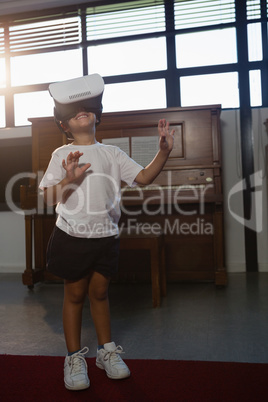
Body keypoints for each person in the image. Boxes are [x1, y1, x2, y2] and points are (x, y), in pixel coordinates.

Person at [39, 81, 174, 391]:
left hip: (106, 237)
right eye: (73, 112)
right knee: (74, 296)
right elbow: (48, 198)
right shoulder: (62, 153)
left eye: (86, 108)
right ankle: (73, 357)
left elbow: (143, 178)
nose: (81, 112)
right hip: (72, 235)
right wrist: (69, 180)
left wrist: (163, 152)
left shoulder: (112, 153)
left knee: (100, 294)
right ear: (65, 124)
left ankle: (106, 352)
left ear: (97, 116)